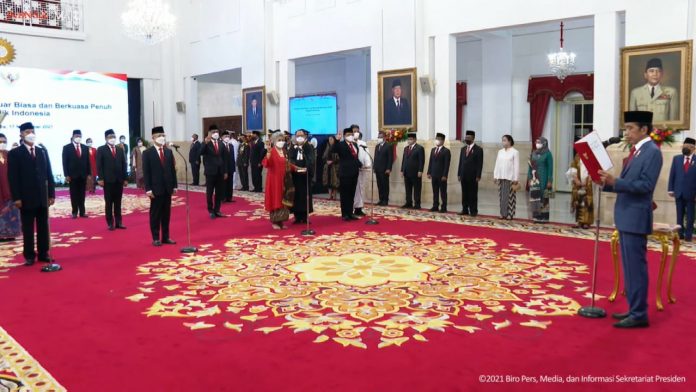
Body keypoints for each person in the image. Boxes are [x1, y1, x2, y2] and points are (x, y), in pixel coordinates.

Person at [597, 111, 662, 328]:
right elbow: (626, 182)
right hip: (626, 215)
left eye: (630, 128)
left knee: (636, 267)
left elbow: (645, 186)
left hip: (635, 216)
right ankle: (634, 307)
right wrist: (607, 182)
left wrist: (616, 181)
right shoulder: (636, 151)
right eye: (625, 128)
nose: (626, 133)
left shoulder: (652, 152)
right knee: (629, 267)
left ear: (644, 129)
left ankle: (639, 313)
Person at [8, 122, 55, 265]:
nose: (31, 134)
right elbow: (13, 177)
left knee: (43, 227)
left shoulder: (41, 151)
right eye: (27, 131)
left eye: (32, 131)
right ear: (21, 134)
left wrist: (51, 194)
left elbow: (49, 173)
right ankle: (29, 255)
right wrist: (16, 197)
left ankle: (43, 253)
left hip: (42, 196)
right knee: (28, 228)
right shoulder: (15, 153)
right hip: (25, 198)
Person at [142, 126, 178, 247]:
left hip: (167, 188)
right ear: (153, 138)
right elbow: (146, 172)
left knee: (166, 214)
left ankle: (166, 237)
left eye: (163, 135)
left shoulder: (168, 151)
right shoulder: (147, 153)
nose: (162, 138)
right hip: (155, 189)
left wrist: (175, 185)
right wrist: (148, 189)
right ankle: (156, 237)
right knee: (155, 214)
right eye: (159, 136)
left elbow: (172, 170)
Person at [629, 58, 678, 123]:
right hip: (643, 132)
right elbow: (632, 121)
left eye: (658, 71)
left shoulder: (671, 92)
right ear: (645, 75)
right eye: (651, 71)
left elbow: (673, 121)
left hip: (663, 132)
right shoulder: (635, 93)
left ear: (662, 74)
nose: (655, 74)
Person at [97, 129, 128, 231]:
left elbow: (124, 164)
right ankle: (110, 223)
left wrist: (125, 178)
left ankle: (119, 222)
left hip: (119, 180)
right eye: (110, 137)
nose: (113, 139)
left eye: (114, 137)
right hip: (108, 180)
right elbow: (99, 165)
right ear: (106, 138)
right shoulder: (101, 149)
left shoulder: (120, 149)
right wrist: (100, 178)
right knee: (109, 202)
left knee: (118, 202)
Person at [263, 131, 294, 229]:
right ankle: (275, 222)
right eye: (279, 140)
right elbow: (266, 163)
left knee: (283, 199)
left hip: (284, 180)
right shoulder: (271, 151)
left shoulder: (284, 152)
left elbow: (288, 164)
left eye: (282, 140)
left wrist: (298, 168)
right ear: (274, 141)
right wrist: (268, 153)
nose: (281, 142)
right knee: (275, 199)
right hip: (274, 181)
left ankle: (281, 221)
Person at [668, 137, 696, 241]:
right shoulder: (677, 159)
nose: (686, 148)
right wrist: (670, 189)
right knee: (679, 215)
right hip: (678, 191)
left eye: (688, 147)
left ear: (693, 148)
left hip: (691, 193)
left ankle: (688, 236)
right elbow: (672, 174)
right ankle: (679, 234)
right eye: (684, 146)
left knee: (690, 216)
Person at [332, 128, 362, 221]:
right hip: (345, 173)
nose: (351, 136)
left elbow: (355, 157)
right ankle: (345, 214)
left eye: (352, 134)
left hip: (354, 173)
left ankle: (350, 213)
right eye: (349, 134)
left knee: (352, 194)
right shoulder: (341, 145)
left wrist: (360, 164)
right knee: (345, 194)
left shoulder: (355, 145)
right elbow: (333, 149)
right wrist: (336, 140)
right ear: (345, 136)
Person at [200, 125, 229, 219]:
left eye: (216, 131)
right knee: (210, 192)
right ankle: (210, 210)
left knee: (219, 192)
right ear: (209, 133)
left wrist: (225, 171)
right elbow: (199, 152)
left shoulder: (221, 143)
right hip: (210, 172)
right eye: (213, 131)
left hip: (220, 172)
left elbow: (225, 158)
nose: (215, 133)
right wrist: (205, 142)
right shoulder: (206, 143)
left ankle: (217, 210)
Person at [62, 129, 91, 218]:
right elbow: (64, 162)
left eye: (80, 136)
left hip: (83, 175)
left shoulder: (85, 148)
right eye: (76, 136)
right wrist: (66, 174)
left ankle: (82, 212)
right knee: (74, 194)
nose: (78, 138)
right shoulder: (67, 147)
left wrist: (89, 174)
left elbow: (88, 162)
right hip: (72, 175)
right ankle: (74, 212)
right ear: (73, 137)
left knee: (82, 194)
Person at [288, 129, 315, 224]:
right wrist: (295, 167)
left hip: (305, 176)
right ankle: (297, 216)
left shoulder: (308, 147)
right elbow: (290, 159)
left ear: (305, 136)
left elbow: (311, 160)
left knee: (305, 196)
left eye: (301, 135)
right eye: (297, 135)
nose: (299, 137)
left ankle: (304, 216)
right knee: (296, 196)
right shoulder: (293, 147)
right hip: (295, 175)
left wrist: (305, 168)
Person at [527, 137, 554, 223]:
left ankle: (544, 217)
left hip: (544, 177)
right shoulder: (533, 153)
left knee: (544, 196)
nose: (537, 144)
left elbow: (550, 168)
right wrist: (529, 177)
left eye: (539, 142)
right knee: (535, 196)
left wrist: (550, 180)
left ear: (544, 143)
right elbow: (530, 166)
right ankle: (536, 217)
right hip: (535, 178)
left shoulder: (548, 154)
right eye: (536, 142)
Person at [0, 133, 21, 241]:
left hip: (11, 189)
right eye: (0, 142)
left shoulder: (10, 155)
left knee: (12, 212)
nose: (2, 144)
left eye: (4, 142)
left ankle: (11, 234)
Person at [493, 134, 519, 220]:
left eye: (504, 140)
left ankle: (510, 214)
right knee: (502, 197)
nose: (503, 142)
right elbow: (497, 164)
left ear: (509, 141)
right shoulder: (500, 152)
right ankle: (502, 213)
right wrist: (495, 175)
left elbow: (516, 166)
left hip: (510, 178)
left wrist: (516, 178)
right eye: (502, 140)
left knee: (510, 197)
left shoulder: (515, 152)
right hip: (501, 177)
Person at [457, 130, 483, 216]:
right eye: (466, 137)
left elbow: (480, 164)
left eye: (468, 138)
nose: (466, 139)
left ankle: (473, 210)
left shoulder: (478, 149)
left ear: (473, 138)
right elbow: (460, 162)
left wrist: (478, 175)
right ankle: (464, 209)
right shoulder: (463, 149)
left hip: (473, 176)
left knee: (473, 194)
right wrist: (459, 174)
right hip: (463, 175)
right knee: (464, 194)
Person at [567, 153, 593, 229]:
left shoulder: (591, 156)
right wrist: (576, 180)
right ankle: (579, 221)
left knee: (586, 202)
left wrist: (587, 181)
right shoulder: (577, 156)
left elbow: (593, 170)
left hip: (587, 183)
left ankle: (586, 222)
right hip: (578, 184)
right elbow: (573, 169)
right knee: (577, 201)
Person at [427, 132, 451, 213]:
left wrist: (445, 175)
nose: (437, 140)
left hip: (441, 175)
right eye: (436, 139)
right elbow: (430, 162)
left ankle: (444, 207)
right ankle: (435, 206)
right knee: (435, 191)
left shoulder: (446, 151)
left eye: (439, 139)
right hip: (434, 174)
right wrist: (429, 172)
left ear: (443, 141)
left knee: (443, 192)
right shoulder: (433, 150)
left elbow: (447, 164)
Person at [401, 132, 424, 210]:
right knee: (408, 188)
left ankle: (417, 204)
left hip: (415, 172)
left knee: (417, 188)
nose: (409, 141)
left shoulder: (419, 148)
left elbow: (421, 160)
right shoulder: (406, 148)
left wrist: (420, 170)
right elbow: (404, 160)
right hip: (407, 172)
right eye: (408, 139)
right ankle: (408, 202)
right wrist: (402, 170)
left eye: (410, 139)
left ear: (415, 139)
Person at [353, 128, 372, 217]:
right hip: (352, 169)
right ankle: (351, 208)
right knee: (353, 189)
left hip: (362, 170)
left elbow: (366, 154)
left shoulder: (362, 144)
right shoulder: (349, 143)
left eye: (357, 131)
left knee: (360, 189)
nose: (356, 133)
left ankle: (359, 208)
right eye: (354, 131)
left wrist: (367, 164)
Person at [373, 131, 393, 206]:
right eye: (378, 137)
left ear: (384, 137)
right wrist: (374, 167)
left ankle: (385, 200)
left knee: (385, 185)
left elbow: (390, 158)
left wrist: (388, 168)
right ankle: (381, 199)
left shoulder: (388, 146)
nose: (379, 138)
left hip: (385, 169)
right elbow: (375, 157)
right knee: (379, 185)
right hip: (377, 169)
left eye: (381, 137)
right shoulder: (377, 146)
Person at [322, 135, 340, 200]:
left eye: (331, 139)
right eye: (329, 139)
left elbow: (339, 157)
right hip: (327, 167)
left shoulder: (337, 147)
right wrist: (326, 161)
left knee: (334, 182)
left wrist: (332, 161)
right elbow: (323, 156)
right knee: (328, 182)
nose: (330, 141)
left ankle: (334, 196)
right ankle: (330, 196)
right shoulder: (327, 147)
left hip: (334, 167)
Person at [221, 131, 236, 202]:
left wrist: (233, 168)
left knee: (230, 183)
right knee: (223, 184)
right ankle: (223, 197)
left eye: (228, 136)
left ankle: (229, 197)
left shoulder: (231, 145)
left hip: (231, 168)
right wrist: (224, 170)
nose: (227, 138)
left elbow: (232, 158)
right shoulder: (220, 145)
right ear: (222, 137)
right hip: (223, 168)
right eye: (225, 136)